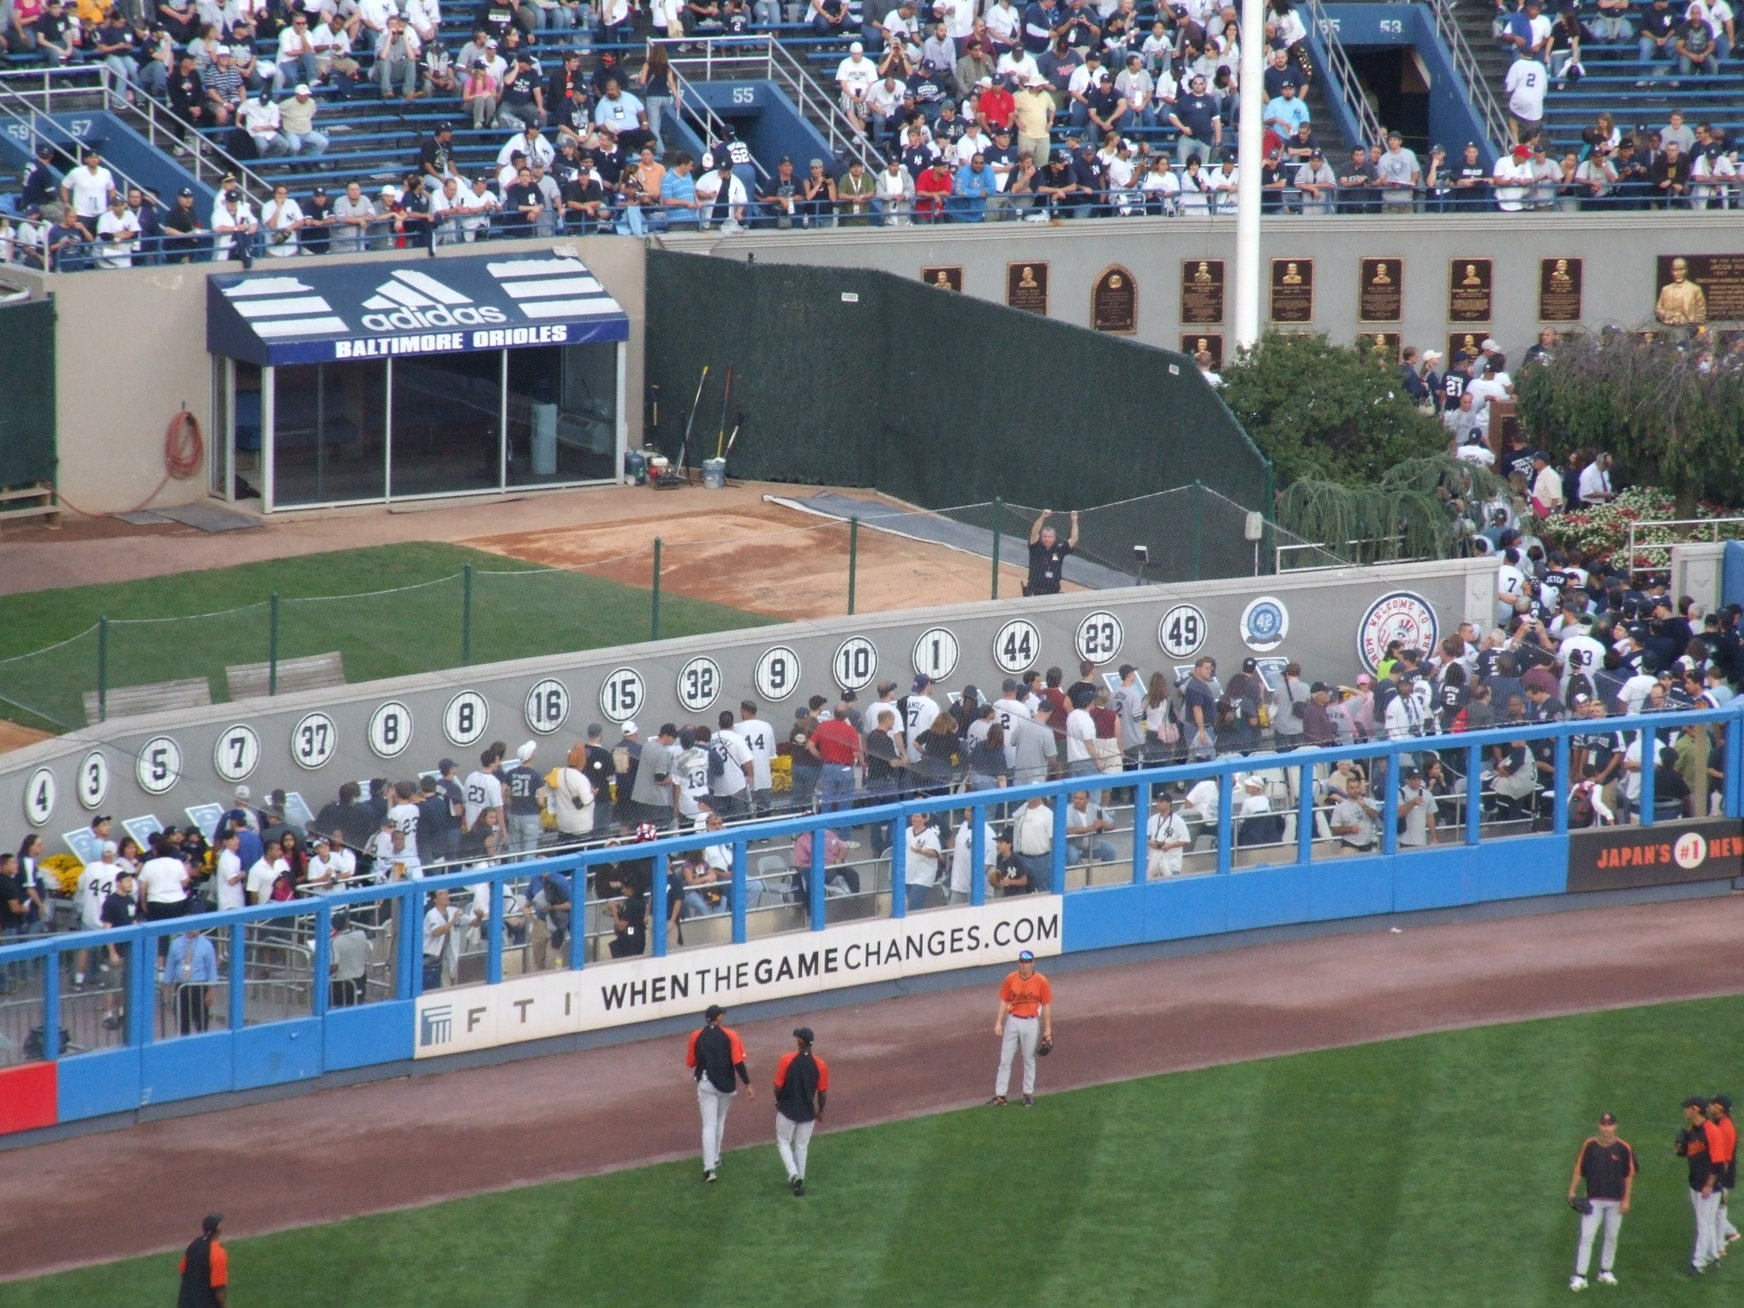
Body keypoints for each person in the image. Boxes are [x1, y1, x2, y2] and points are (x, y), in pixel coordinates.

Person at [1568, 1110, 1635, 1290]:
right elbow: (1579, 1169)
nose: (1606, 1128)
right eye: (1604, 1125)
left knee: (1612, 1236)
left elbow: (1629, 1175)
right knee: (1587, 1236)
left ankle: (1605, 1270)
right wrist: (1572, 1192)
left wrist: (1626, 1200)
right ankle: (1580, 1274)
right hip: (1594, 1199)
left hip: (1615, 1200)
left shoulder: (1623, 1148)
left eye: (1610, 1125)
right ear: (1599, 1126)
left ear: (1615, 1126)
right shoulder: (1589, 1145)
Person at [687, 1003, 753, 1182]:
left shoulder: (696, 1035)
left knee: (709, 1125)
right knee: (719, 1120)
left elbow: (691, 1062)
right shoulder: (731, 1035)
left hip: (706, 1083)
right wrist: (747, 1084)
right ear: (718, 1018)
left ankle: (709, 1169)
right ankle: (715, 1156)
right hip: (727, 1086)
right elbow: (738, 1063)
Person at [773, 1026, 830, 1196]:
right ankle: (800, 1180)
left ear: (799, 1042)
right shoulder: (820, 1065)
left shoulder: (786, 1060)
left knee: (783, 1142)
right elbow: (822, 1092)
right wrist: (821, 1111)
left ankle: (793, 1174)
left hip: (788, 1109)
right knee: (802, 1146)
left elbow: (777, 1087)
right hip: (807, 1112)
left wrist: (780, 1101)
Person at [992, 948, 1053, 1106]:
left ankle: (1027, 1093)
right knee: (1005, 1059)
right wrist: (999, 1021)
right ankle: (1000, 1095)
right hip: (1013, 1020)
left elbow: (1046, 1005)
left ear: (1033, 963)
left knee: (1029, 1059)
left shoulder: (1041, 981)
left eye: (1027, 962)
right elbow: (1004, 1001)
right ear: (1019, 963)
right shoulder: (1010, 979)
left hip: (1031, 1022)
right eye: (1022, 962)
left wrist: (1048, 1030)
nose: (1024, 965)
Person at [1679, 1095, 1724, 1275]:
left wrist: (1708, 1185)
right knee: (1707, 1222)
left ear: (1695, 1110)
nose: (1685, 1110)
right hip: (1695, 1182)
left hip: (1708, 1187)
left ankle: (1698, 1263)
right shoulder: (1692, 1130)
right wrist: (1679, 1149)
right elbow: (1687, 1152)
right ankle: (1713, 1256)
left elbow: (1718, 1163)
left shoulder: (1712, 1131)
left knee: (1703, 1223)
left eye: (1687, 1107)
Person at [162, 929, 219, 1034]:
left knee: (202, 1022)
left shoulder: (206, 945)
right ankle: (183, 1045)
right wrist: (167, 990)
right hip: (182, 987)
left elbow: (211, 968)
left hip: (199, 986)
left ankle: (202, 1045)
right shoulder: (176, 944)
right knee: (182, 1021)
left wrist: (211, 990)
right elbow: (170, 967)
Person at [177, 1213, 229, 1308]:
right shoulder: (218, 1252)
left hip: (186, 1302)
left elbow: (183, 1270)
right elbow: (219, 1287)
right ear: (218, 1228)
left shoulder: (194, 1244)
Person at [1025, 507, 1078, 596]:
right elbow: (1034, 531)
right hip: (1034, 591)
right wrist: (1043, 516)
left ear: (1054, 538)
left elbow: (1074, 539)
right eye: (1045, 536)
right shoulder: (1035, 547)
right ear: (1041, 537)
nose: (1047, 539)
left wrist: (1074, 521)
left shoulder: (1059, 550)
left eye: (1049, 537)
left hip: (1053, 592)